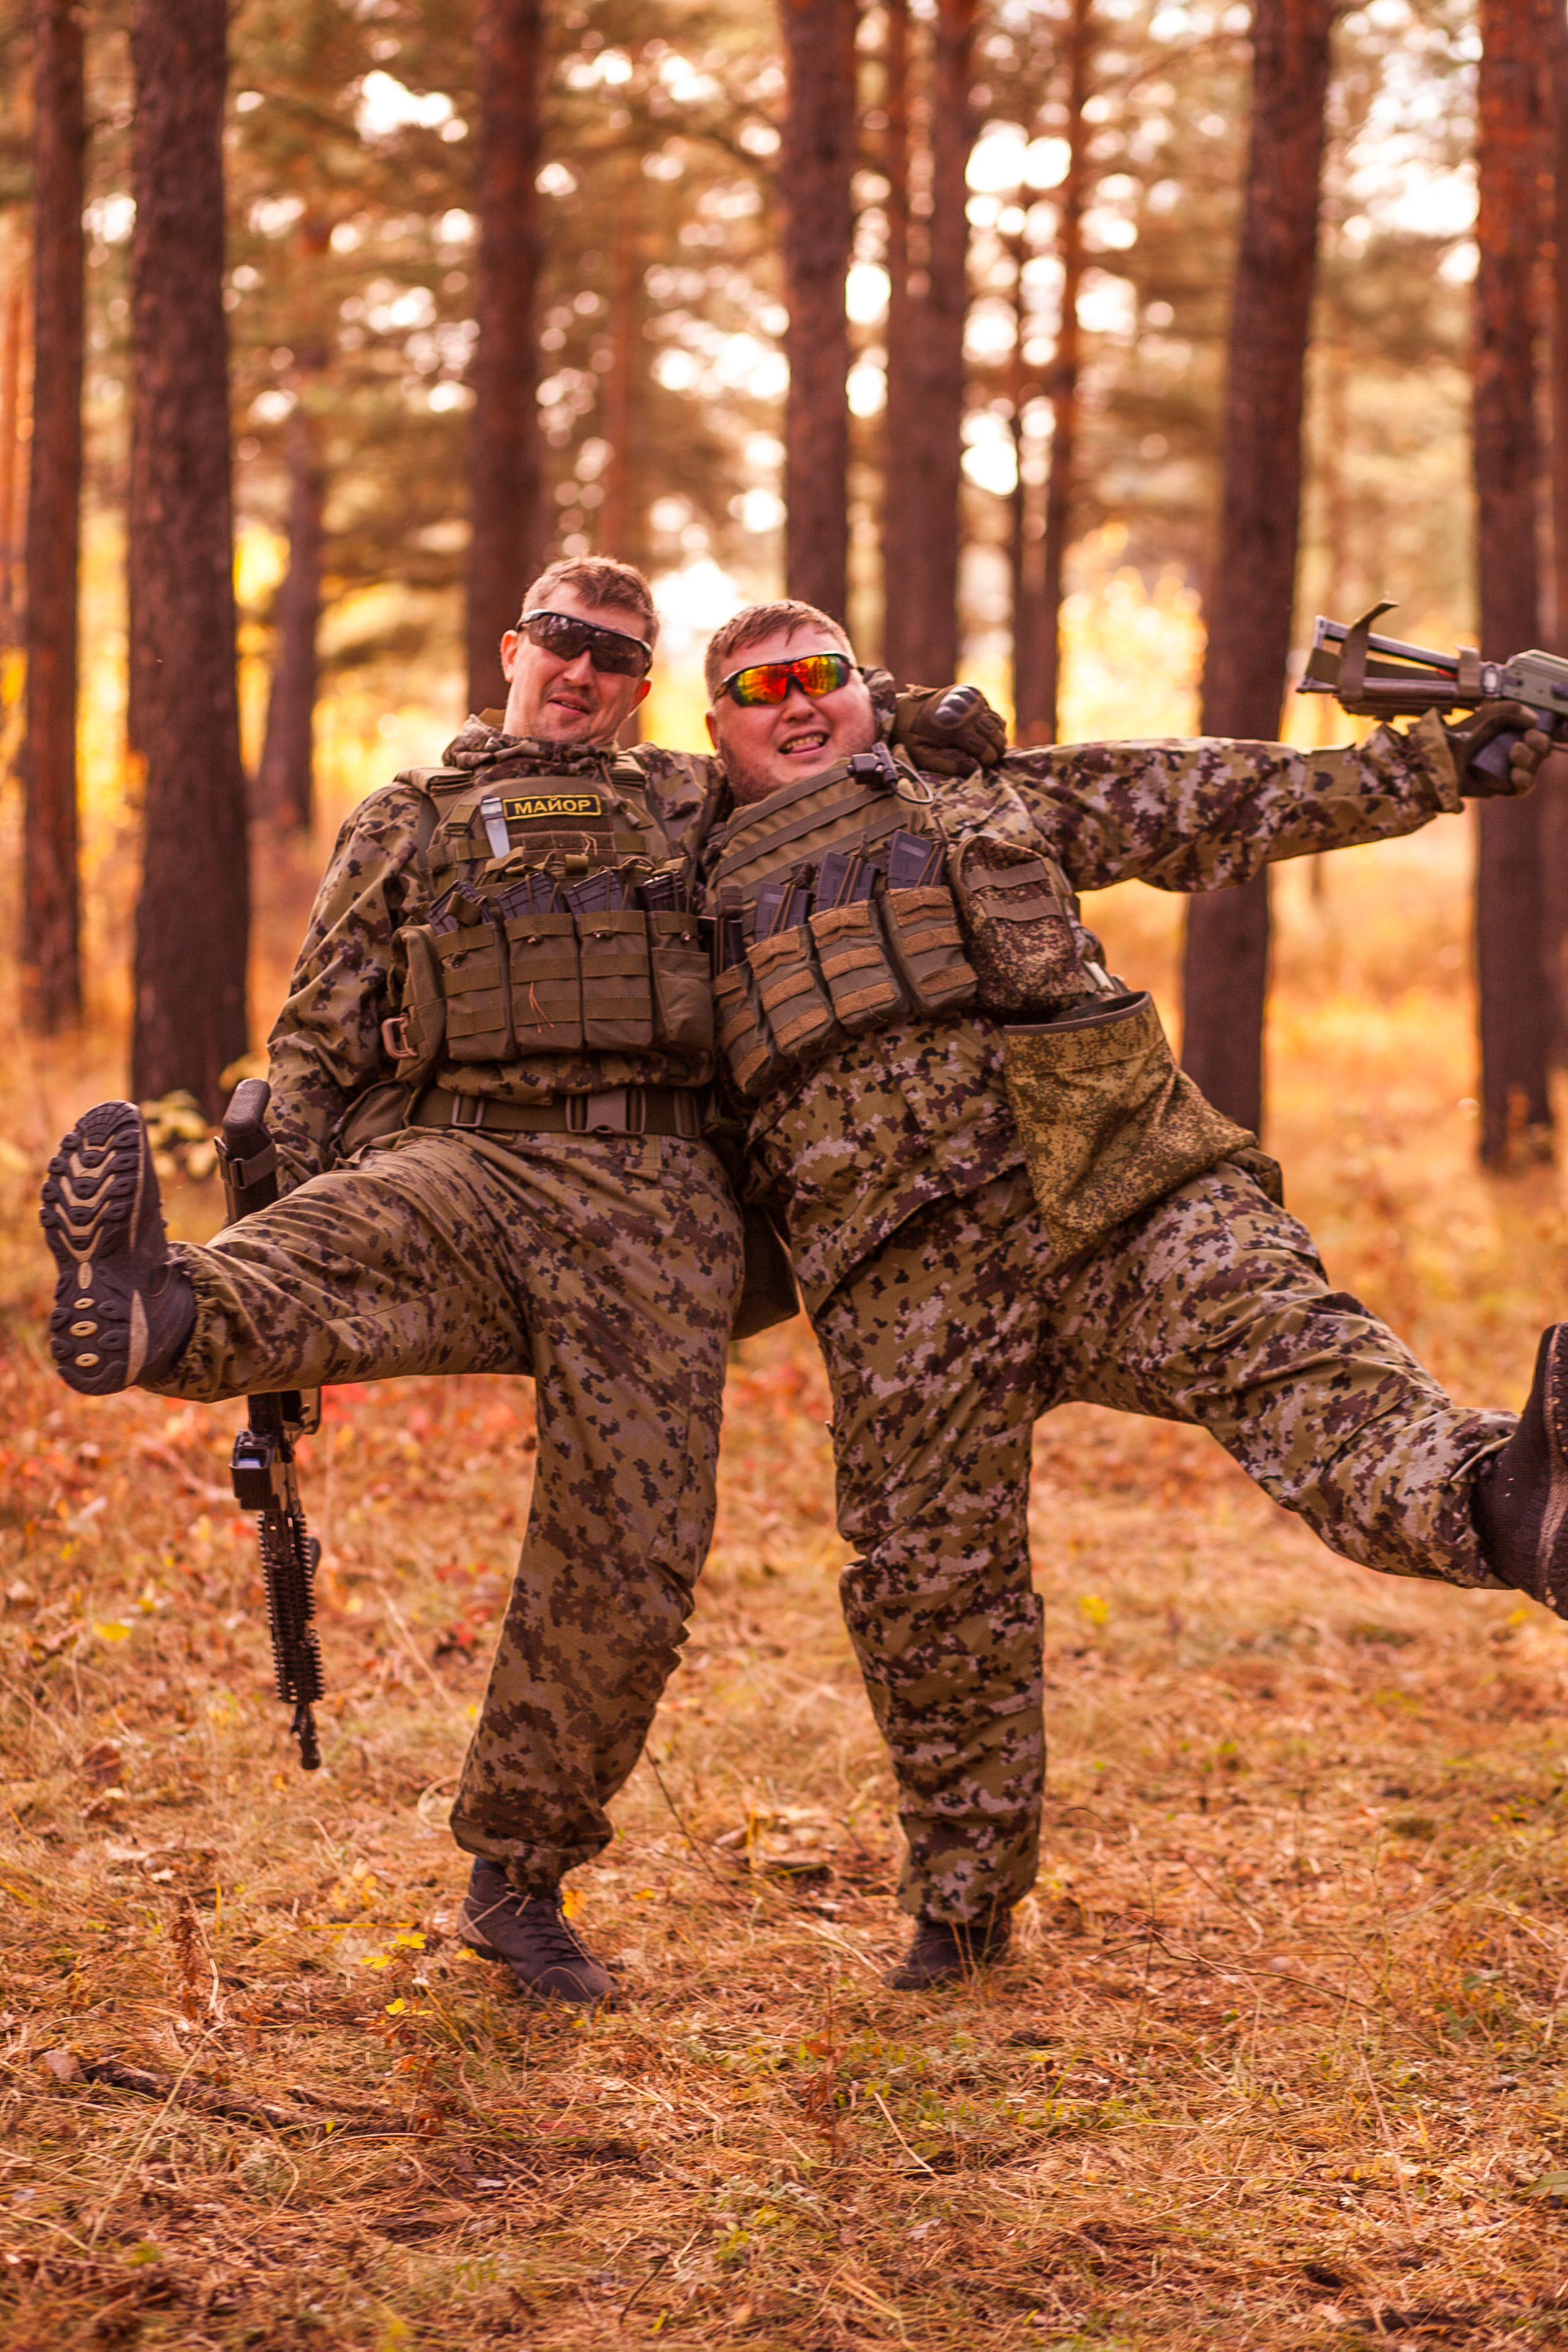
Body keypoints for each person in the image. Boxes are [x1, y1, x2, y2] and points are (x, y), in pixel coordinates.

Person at [39, 556, 998, 2010]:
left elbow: (819, 737)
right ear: (512, 647)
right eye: (562, 639)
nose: (582, 670)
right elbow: (318, 1042)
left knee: (630, 1557)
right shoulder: (411, 816)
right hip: (467, 1161)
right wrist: (282, 1182)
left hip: (656, 1208)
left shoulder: (693, 799)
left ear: (640, 687)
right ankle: (160, 1310)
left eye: (616, 656)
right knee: (340, 1237)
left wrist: (920, 709)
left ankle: (516, 1880)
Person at [697, 595, 1563, 1991]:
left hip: (1121, 1191)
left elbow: (1201, 799)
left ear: (865, 684)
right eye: (757, 690)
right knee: (931, 1591)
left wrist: (1430, 764)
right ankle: (963, 1911)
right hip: (901, 1283)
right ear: (714, 732)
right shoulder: (685, 879)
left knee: (1303, 1366)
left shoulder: (986, 798)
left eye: (821, 675)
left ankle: (1512, 1504)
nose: (795, 703)